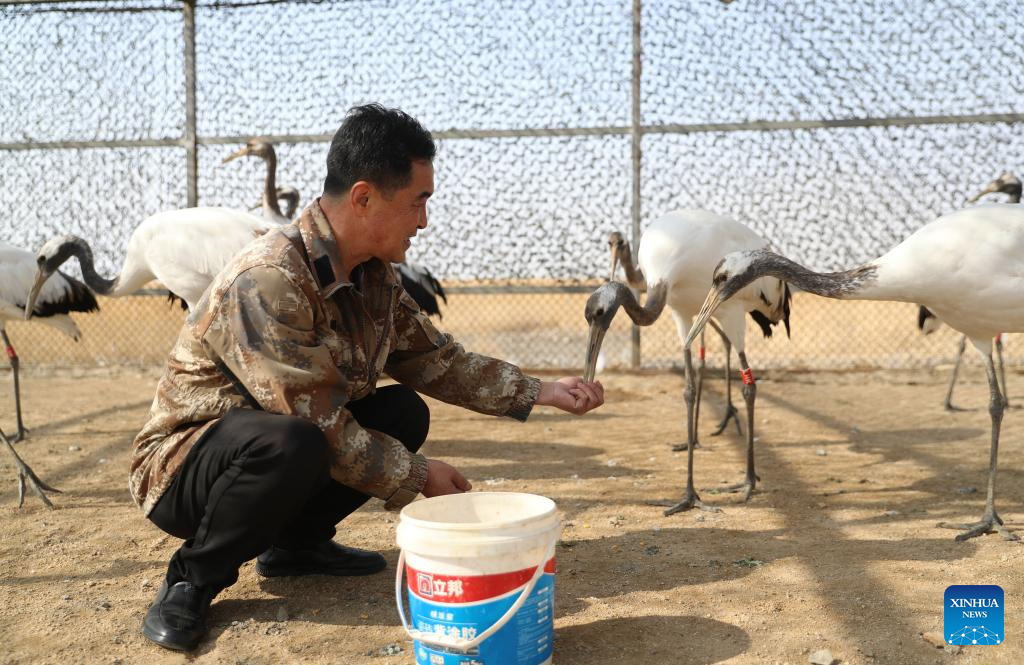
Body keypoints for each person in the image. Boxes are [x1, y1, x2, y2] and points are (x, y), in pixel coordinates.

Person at [129, 103, 605, 652]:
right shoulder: (269, 278)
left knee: (403, 410)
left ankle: (296, 547)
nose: (423, 221)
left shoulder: (371, 279)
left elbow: (438, 362)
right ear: (363, 197)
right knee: (295, 440)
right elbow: (315, 420)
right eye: (417, 202)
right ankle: (191, 579)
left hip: (279, 445)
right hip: (185, 467)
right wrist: (418, 475)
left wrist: (543, 392)